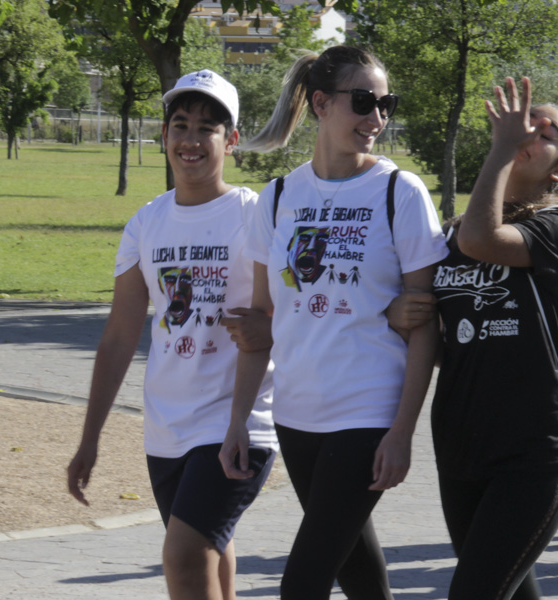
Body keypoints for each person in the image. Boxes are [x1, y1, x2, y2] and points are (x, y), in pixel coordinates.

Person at [219, 45, 447, 600]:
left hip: (368, 412)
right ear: (321, 103)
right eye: (364, 101)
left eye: (385, 104)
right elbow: (260, 325)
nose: (377, 118)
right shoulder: (275, 198)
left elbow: (426, 324)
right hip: (298, 416)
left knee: (303, 582)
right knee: (358, 571)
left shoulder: (400, 192)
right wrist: (237, 423)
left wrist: (401, 431)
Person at [65, 70, 278, 600]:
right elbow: (118, 337)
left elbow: (277, 315)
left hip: (239, 422)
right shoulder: (145, 223)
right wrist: (89, 439)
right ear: (163, 137)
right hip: (166, 428)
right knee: (209, 554)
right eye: (179, 125)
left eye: (207, 127)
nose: (190, 139)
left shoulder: (255, 214)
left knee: (183, 557)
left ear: (230, 140)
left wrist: (237, 423)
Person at [429, 78, 558, 599]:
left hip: (531, 453)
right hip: (459, 443)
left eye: (545, 133)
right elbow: (433, 329)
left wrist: (500, 147)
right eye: (523, 124)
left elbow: (483, 241)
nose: (528, 131)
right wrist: (407, 311)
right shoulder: (449, 232)